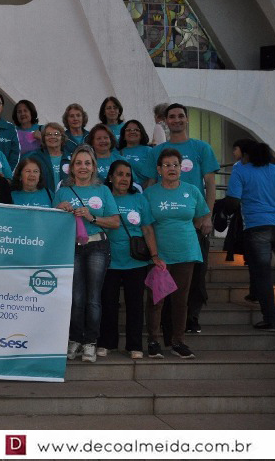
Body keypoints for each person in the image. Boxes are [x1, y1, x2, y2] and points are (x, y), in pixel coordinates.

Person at [150, 103, 218, 334]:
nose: (177, 120)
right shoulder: (157, 151)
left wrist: (207, 216)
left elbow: (210, 184)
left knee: (196, 276)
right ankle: (166, 323)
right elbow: (150, 183)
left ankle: (192, 318)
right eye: (172, 116)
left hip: (194, 221)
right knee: (164, 278)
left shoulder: (202, 147)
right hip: (164, 227)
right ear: (165, 121)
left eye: (181, 116)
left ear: (187, 119)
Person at [143, 148, 211, 359]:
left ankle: (178, 342)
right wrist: (154, 254)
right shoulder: (150, 193)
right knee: (156, 299)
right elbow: (146, 226)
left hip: (187, 253)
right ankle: (153, 340)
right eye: (167, 165)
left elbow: (200, 218)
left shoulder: (192, 190)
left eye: (175, 165)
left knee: (181, 299)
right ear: (159, 169)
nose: (171, 168)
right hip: (160, 255)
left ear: (181, 168)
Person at [55, 145, 119, 363]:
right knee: (76, 297)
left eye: (87, 163)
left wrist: (92, 218)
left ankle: (91, 341)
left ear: (94, 167)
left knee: (93, 298)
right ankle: (75, 339)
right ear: (72, 167)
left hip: (97, 247)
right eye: (79, 163)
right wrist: (59, 211)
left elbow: (115, 222)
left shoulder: (103, 190)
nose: (83, 167)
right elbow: (51, 223)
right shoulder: (62, 191)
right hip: (71, 247)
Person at [98, 161, 163, 359]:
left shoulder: (139, 199)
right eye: (119, 174)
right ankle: (107, 343)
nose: (124, 179)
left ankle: (134, 345)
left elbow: (147, 229)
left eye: (128, 175)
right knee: (108, 303)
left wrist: (154, 255)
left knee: (135, 305)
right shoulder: (103, 198)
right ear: (111, 177)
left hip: (135, 261)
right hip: (108, 260)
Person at [225, 141, 275, 330]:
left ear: (246, 155)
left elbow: (233, 201)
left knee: (263, 276)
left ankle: (270, 320)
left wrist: (223, 211)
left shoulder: (240, 170)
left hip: (257, 227)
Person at [21, 122, 70, 197]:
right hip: (43, 199)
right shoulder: (34, 158)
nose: (52, 137)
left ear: (62, 138)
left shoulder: (71, 159)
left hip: (66, 199)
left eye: (56, 134)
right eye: (48, 134)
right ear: (43, 138)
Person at [117, 119, 153, 188]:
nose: (132, 132)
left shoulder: (149, 151)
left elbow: (153, 176)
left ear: (141, 134)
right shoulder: (118, 153)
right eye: (128, 130)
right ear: (123, 135)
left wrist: (146, 191)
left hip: (144, 191)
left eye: (136, 130)